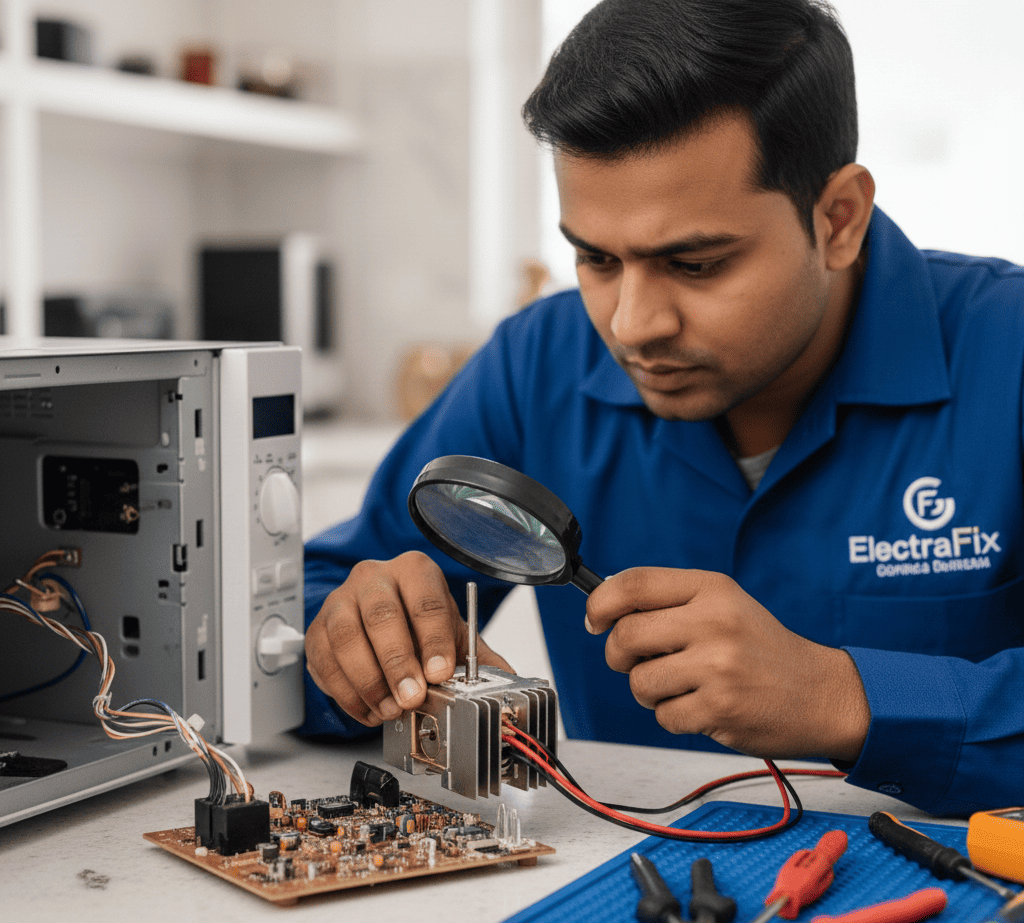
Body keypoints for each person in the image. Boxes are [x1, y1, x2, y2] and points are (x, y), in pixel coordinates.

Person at [303, 0, 1024, 816]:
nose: (632, 325)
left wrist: (842, 696)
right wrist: (352, 641)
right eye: (596, 257)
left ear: (838, 220)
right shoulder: (536, 362)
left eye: (694, 262)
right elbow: (312, 597)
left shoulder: (1010, 350)